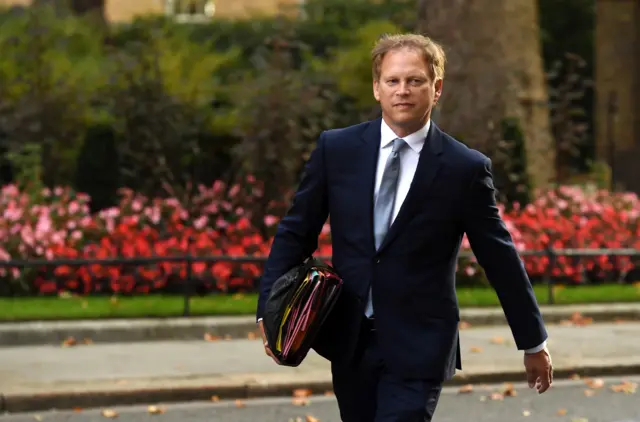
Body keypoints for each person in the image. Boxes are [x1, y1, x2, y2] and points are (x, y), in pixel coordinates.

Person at [255, 33, 553, 422]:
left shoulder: (464, 168)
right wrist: (269, 311)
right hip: (349, 338)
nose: (403, 91)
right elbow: (296, 231)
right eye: (393, 81)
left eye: (415, 81)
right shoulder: (337, 150)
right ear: (376, 88)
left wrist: (532, 341)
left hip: (421, 344)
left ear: (437, 88)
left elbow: (498, 257)